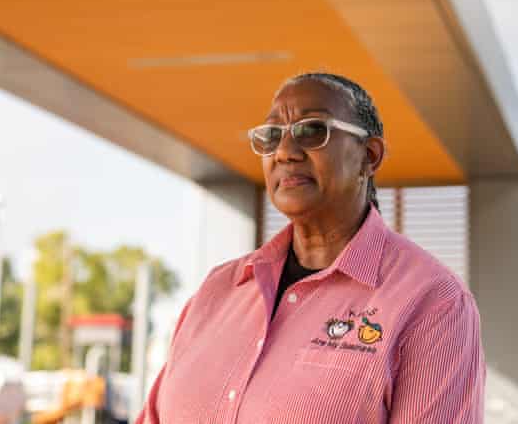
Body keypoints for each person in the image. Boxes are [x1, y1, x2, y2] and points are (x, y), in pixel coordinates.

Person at [136, 72, 485, 423]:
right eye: (272, 136)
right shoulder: (218, 290)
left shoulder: (435, 302)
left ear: (369, 156)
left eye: (312, 130)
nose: (286, 152)